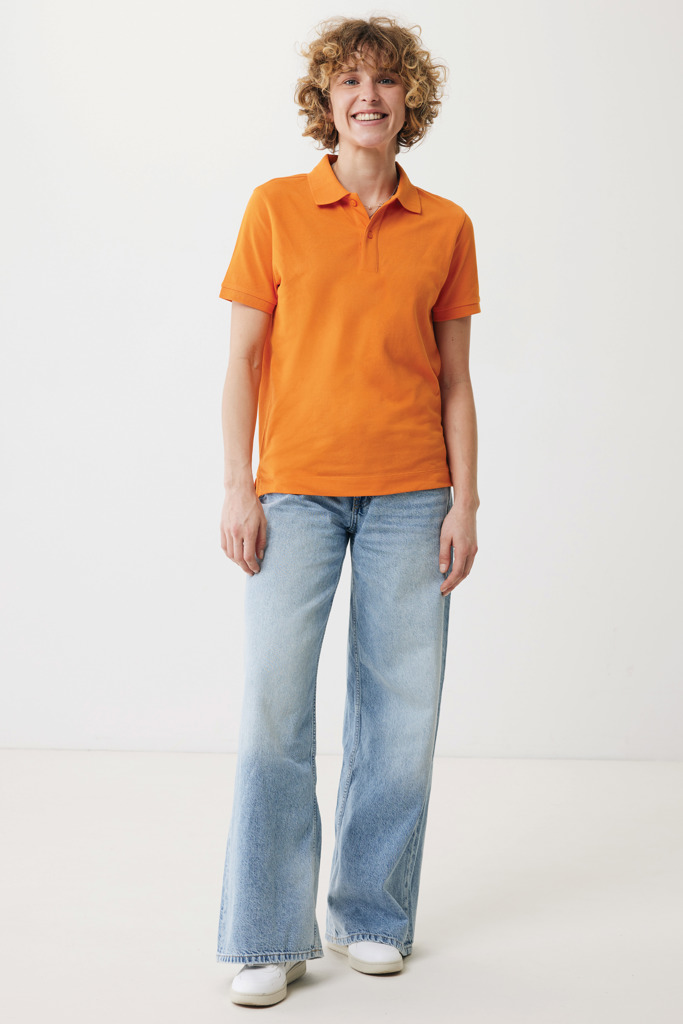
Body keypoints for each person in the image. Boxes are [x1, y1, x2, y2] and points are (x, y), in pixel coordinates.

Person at [216, 14, 481, 1008]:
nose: (368, 96)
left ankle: (370, 914)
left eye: (386, 81)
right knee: (273, 708)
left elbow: (455, 380)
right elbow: (242, 360)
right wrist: (238, 486)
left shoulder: (445, 226)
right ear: (324, 103)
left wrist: (464, 501)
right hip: (293, 491)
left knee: (400, 713)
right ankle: (266, 933)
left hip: (414, 494)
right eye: (349, 82)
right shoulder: (274, 208)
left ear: (409, 100)